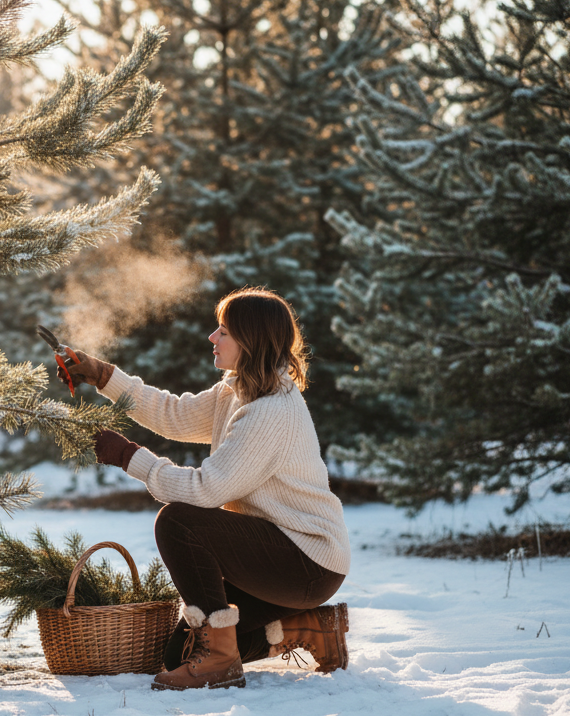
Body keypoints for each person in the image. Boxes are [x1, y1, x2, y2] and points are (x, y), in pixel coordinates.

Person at [57, 287, 351, 691]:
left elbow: (206, 489)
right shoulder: (237, 390)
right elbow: (173, 415)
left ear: (251, 341)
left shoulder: (271, 411)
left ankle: (220, 659)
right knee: (179, 654)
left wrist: (130, 457)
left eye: (224, 331)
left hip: (306, 562)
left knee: (180, 521)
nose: (213, 337)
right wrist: (102, 375)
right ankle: (309, 628)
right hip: (273, 554)